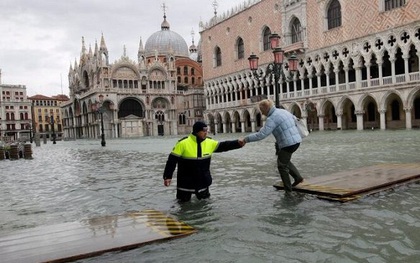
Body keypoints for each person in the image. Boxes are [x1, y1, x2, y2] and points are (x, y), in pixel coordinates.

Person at [163, 121, 244, 202]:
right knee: (182, 207)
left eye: (206, 131)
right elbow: (171, 161)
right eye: (203, 131)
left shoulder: (209, 142)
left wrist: (237, 143)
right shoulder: (183, 143)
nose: (206, 133)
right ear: (197, 132)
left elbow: (224, 146)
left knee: (206, 206)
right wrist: (168, 176)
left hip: (203, 183)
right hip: (185, 184)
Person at [239, 99, 304, 193]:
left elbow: (261, 135)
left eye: (261, 110)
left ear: (266, 108)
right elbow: (294, 119)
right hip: (296, 140)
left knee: (281, 166)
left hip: (288, 144)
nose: (262, 113)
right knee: (284, 161)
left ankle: (288, 191)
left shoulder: (272, 118)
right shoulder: (282, 111)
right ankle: (298, 178)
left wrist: (246, 139)